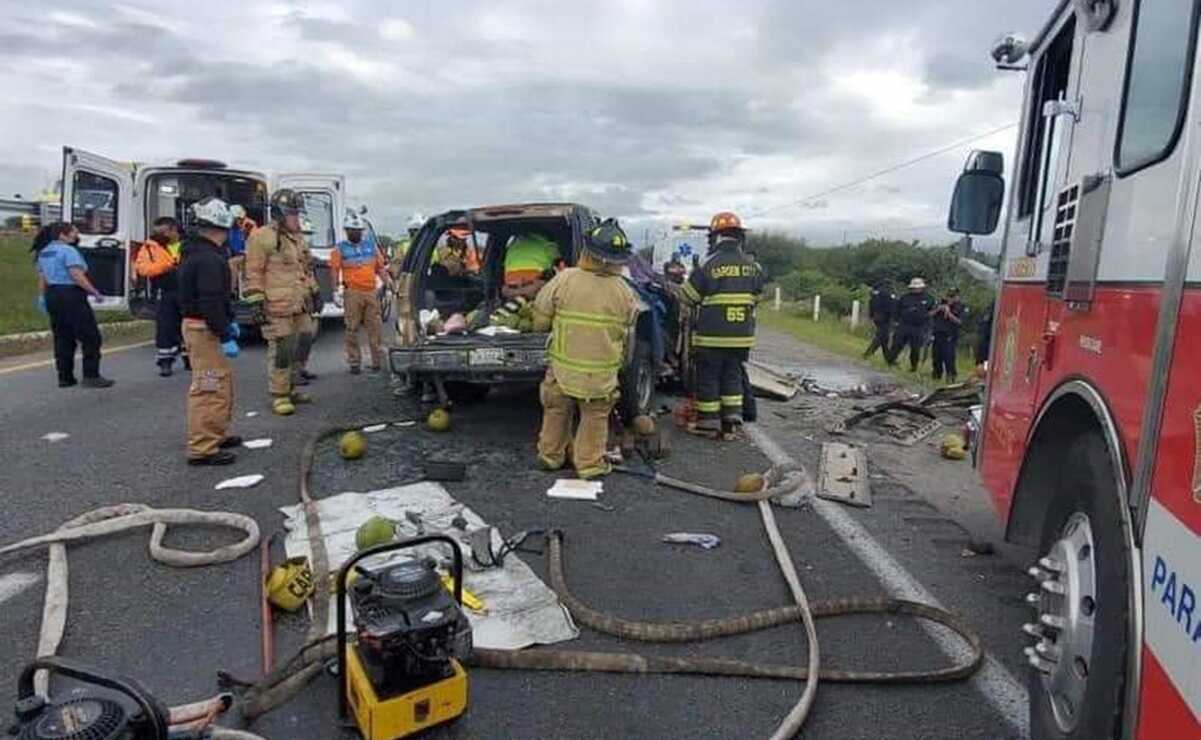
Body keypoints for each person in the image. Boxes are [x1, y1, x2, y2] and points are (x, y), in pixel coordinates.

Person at [533, 218, 640, 479]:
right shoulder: (625, 292)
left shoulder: (565, 279)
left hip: (562, 370)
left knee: (557, 411)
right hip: (600, 376)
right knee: (594, 417)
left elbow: (540, 317)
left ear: (587, 251)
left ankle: (550, 456)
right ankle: (589, 464)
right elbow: (628, 337)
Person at [679, 211, 766, 436]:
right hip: (741, 336)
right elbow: (757, 297)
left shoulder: (709, 264)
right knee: (733, 375)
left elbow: (689, 297)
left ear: (716, 237)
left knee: (708, 377)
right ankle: (732, 418)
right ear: (739, 237)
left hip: (712, 335)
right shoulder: (752, 265)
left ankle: (709, 422)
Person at [178, 197, 242, 466]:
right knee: (209, 387)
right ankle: (203, 447)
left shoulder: (197, 253)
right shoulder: (208, 260)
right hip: (203, 328)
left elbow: (215, 300)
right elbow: (210, 300)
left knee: (220, 383)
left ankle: (215, 433)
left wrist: (227, 320)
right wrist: (225, 332)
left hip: (204, 326)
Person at [243, 189, 313, 416]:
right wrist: (256, 301)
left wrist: (314, 291)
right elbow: (253, 271)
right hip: (277, 304)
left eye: (297, 213)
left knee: (304, 338)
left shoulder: (297, 237)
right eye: (292, 213)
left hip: (298, 302)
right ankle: (280, 394)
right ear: (279, 214)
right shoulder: (261, 237)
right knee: (282, 348)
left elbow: (305, 267)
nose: (296, 218)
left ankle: (292, 386)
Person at [31, 222, 114, 388]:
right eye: (74, 233)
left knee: (63, 337)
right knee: (90, 336)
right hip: (71, 294)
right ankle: (91, 375)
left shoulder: (45, 252)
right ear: (63, 235)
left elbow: (42, 278)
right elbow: (76, 275)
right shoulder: (68, 251)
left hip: (53, 294)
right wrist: (94, 292)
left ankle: (65, 377)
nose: (77, 237)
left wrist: (42, 297)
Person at [332, 210, 390, 373]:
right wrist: (335, 289)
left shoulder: (371, 246)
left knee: (375, 328)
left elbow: (380, 268)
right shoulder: (340, 249)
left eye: (358, 231)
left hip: (371, 292)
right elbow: (335, 271)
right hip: (352, 293)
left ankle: (377, 362)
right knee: (351, 329)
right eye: (352, 231)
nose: (356, 233)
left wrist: (389, 285)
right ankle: (354, 362)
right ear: (347, 231)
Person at [135, 217, 187, 376]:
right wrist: (166, 267)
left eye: (163, 232)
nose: (158, 235)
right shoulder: (150, 247)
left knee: (189, 325)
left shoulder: (189, 245)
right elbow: (142, 269)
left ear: (173, 230)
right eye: (156, 232)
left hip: (188, 291)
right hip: (165, 291)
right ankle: (165, 362)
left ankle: (190, 358)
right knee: (165, 328)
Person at [293, 217, 322, 386]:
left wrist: (316, 293)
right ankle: (291, 374)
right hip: (294, 300)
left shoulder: (304, 253)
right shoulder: (290, 252)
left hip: (306, 299)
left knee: (307, 336)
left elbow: (308, 275)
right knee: (295, 340)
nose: (307, 238)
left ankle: (300, 368)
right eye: (305, 234)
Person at [887, 277, 936, 372]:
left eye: (918, 287)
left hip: (919, 327)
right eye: (914, 287)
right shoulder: (905, 297)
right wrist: (896, 322)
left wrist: (928, 324)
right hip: (904, 325)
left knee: (915, 348)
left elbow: (933, 311)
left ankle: (914, 367)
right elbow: (896, 310)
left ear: (922, 287)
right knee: (897, 344)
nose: (916, 289)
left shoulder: (929, 298)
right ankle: (890, 361)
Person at [502, 232, 561, 299]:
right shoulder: (548, 245)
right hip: (533, 282)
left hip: (510, 282)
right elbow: (560, 265)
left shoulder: (513, 245)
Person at [930, 287, 966, 383]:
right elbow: (929, 315)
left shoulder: (960, 306)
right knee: (936, 357)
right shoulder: (940, 304)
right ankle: (936, 376)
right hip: (938, 333)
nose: (950, 299)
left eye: (952, 296)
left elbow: (959, 322)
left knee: (949, 357)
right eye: (949, 296)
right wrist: (938, 309)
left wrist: (949, 313)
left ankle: (951, 376)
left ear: (957, 296)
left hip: (950, 335)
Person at [863, 280, 895, 359]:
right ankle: (868, 353)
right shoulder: (888, 295)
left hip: (876, 317)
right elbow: (891, 307)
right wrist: (893, 317)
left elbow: (871, 304)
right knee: (881, 336)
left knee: (884, 338)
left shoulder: (875, 295)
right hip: (885, 318)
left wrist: (871, 315)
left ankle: (887, 357)